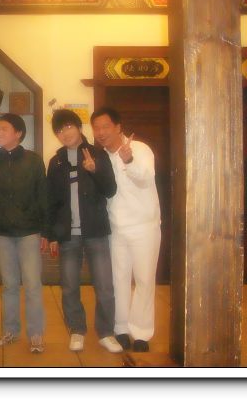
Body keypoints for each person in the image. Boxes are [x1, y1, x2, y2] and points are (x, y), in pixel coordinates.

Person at [46, 109, 122, 353]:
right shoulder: (56, 162)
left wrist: (94, 170)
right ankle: (77, 330)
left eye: (68, 127)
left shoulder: (98, 154)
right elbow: (51, 201)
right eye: (59, 130)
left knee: (105, 287)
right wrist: (52, 235)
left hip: (95, 231)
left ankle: (106, 333)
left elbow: (110, 190)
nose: (64, 133)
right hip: (68, 234)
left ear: (79, 128)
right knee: (69, 286)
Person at [91, 107, 161, 352]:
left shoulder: (139, 149)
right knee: (118, 280)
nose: (101, 132)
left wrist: (128, 159)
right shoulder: (99, 157)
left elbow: (146, 178)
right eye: (96, 128)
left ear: (118, 127)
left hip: (144, 227)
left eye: (105, 126)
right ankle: (120, 329)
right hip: (116, 228)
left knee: (144, 280)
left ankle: (141, 333)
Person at [0, 113, 48, 353]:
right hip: (1, 233)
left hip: (29, 231)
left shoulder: (33, 161)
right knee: (9, 284)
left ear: (18, 133)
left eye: (4, 129)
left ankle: (36, 335)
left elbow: (42, 195)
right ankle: (10, 331)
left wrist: (45, 230)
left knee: (32, 284)